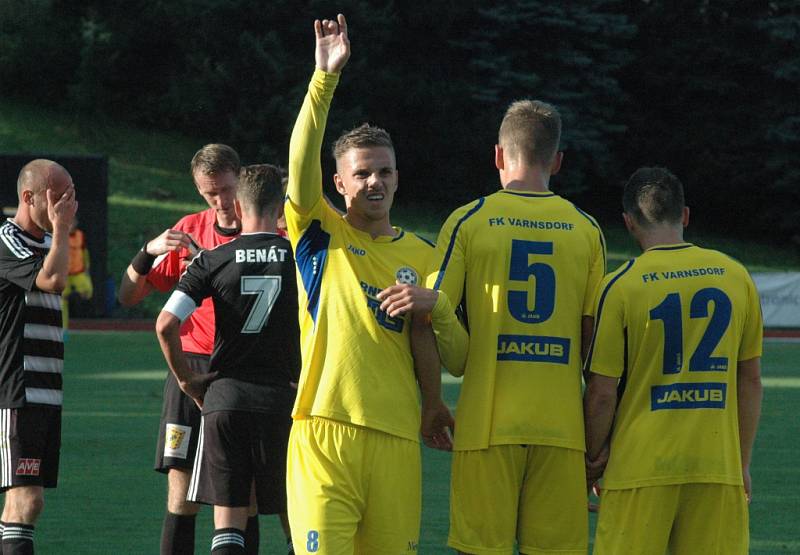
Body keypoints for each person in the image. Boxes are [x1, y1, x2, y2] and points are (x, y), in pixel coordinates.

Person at [384, 99, 607, 554]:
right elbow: (596, 348)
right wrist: (602, 437)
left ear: (499, 156)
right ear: (557, 160)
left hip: (487, 425)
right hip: (563, 431)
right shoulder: (587, 230)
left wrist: (443, 315)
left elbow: (439, 330)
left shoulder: (470, 220)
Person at [284, 14, 454, 554]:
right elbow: (300, 155)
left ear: (398, 177)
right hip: (323, 431)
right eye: (361, 173)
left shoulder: (426, 255)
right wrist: (324, 78)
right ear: (339, 183)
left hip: (399, 440)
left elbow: (453, 352)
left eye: (384, 171)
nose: (374, 181)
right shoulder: (317, 231)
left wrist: (439, 307)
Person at [584, 167, 763, 554]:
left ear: (629, 223)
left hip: (639, 468)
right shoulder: (736, 276)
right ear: (684, 216)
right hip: (717, 467)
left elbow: (601, 392)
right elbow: (749, 380)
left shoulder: (621, 285)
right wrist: (741, 463)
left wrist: (591, 460)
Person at [117, 144, 256, 555]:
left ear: (241, 179)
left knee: (243, 494)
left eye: (227, 189)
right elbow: (128, 295)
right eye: (209, 193)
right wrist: (147, 252)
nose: (221, 201)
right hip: (190, 365)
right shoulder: (189, 229)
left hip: (243, 366)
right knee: (181, 490)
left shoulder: (268, 229)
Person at [156, 164, 300, 555]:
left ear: (237, 203)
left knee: (229, 525)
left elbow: (165, 323)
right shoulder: (302, 258)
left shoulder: (215, 258)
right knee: (299, 520)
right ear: (281, 206)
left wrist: (187, 380)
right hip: (286, 401)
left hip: (226, 401)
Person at [0, 159, 77, 554]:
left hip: (46, 392)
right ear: (28, 198)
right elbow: (53, 281)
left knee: (27, 504)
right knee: (25, 500)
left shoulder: (50, 243)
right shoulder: (7, 238)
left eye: (71, 197)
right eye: (58, 197)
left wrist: (59, 233)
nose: (67, 205)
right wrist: (63, 229)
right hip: (16, 391)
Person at [61, 219, 93, 328]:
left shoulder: (80, 235)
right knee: (62, 301)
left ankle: (88, 321)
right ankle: (64, 329)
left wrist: (87, 267)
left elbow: (85, 252)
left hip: (78, 272)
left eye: (73, 222)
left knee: (87, 292)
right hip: (65, 273)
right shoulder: (60, 235)